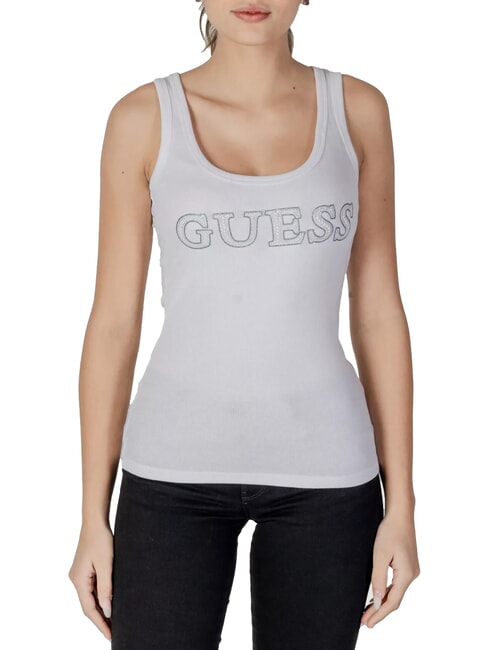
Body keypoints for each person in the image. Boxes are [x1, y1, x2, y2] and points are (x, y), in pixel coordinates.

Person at [68, 1, 420, 648]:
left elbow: (377, 312)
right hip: (171, 472)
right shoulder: (141, 119)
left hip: (328, 476)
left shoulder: (359, 111)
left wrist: (403, 506)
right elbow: (114, 323)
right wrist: (92, 514)